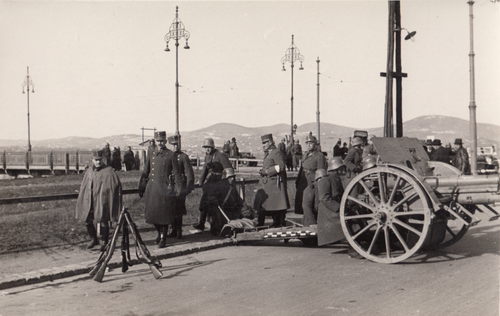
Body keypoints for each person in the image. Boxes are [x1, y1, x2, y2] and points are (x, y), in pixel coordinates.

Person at [138, 131, 182, 248]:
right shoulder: (151, 153)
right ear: (155, 141)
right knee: (153, 215)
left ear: (165, 141)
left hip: (164, 188)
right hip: (152, 189)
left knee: (164, 215)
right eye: (158, 141)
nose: (160, 143)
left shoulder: (170, 155)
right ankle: (159, 233)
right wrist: (141, 186)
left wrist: (178, 188)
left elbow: (177, 173)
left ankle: (163, 238)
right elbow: (145, 171)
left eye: (162, 141)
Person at [75, 149, 122, 250]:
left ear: (103, 159)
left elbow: (115, 185)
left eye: (100, 159)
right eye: (96, 160)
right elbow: (84, 185)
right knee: (87, 220)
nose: (98, 162)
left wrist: (107, 194)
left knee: (103, 220)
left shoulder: (108, 170)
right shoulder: (89, 171)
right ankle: (93, 239)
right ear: (92, 160)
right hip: (90, 199)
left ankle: (105, 242)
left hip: (102, 199)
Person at [193, 138, 233, 231]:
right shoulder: (207, 157)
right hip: (210, 183)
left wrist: (227, 182)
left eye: (209, 147)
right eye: (205, 147)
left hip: (219, 183)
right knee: (203, 204)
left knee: (214, 205)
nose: (207, 150)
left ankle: (216, 226)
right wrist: (200, 182)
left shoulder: (221, 156)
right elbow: (204, 170)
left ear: (213, 147)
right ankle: (201, 224)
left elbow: (228, 170)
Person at [254, 134, 290, 227]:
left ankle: (277, 223)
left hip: (274, 184)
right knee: (264, 205)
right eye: (263, 143)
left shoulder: (276, 152)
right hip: (267, 183)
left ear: (270, 142)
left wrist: (267, 171)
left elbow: (281, 166)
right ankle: (262, 223)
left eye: (265, 143)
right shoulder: (268, 153)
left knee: (275, 206)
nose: (263, 145)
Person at [167, 135, 195, 239]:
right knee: (171, 208)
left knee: (179, 209)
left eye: (177, 144)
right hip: (170, 186)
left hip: (180, 186)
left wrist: (188, 188)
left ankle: (178, 231)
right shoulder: (169, 156)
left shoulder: (183, 156)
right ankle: (173, 230)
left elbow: (189, 173)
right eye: (173, 145)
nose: (175, 147)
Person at [205, 167, 244, 236]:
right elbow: (211, 197)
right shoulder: (219, 186)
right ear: (226, 177)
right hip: (222, 208)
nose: (232, 179)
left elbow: (237, 198)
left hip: (231, 209)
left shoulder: (232, 187)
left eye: (233, 177)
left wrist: (240, 204)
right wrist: (216, 201)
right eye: (230, 177)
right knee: (219, 219)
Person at [316, 157, 346, 246]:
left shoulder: (336, 179)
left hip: (335, 207)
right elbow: (324, 198)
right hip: (328, 211)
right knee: (348, 221)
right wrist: (339, 208)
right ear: (336, 168)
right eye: (341, 168)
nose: (342, 170)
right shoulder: (325, 180)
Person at [295, 134, 327, 215]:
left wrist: (317, 183)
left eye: (311, 143)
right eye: (307, 143)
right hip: (303, 180)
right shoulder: (305, 155)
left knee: (311, 204)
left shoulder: (319, 156)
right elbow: (301, 168)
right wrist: (298, 180)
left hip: (312, 182)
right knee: (302, 202)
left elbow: (321, 171)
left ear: (315, 145)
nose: (308, 145)